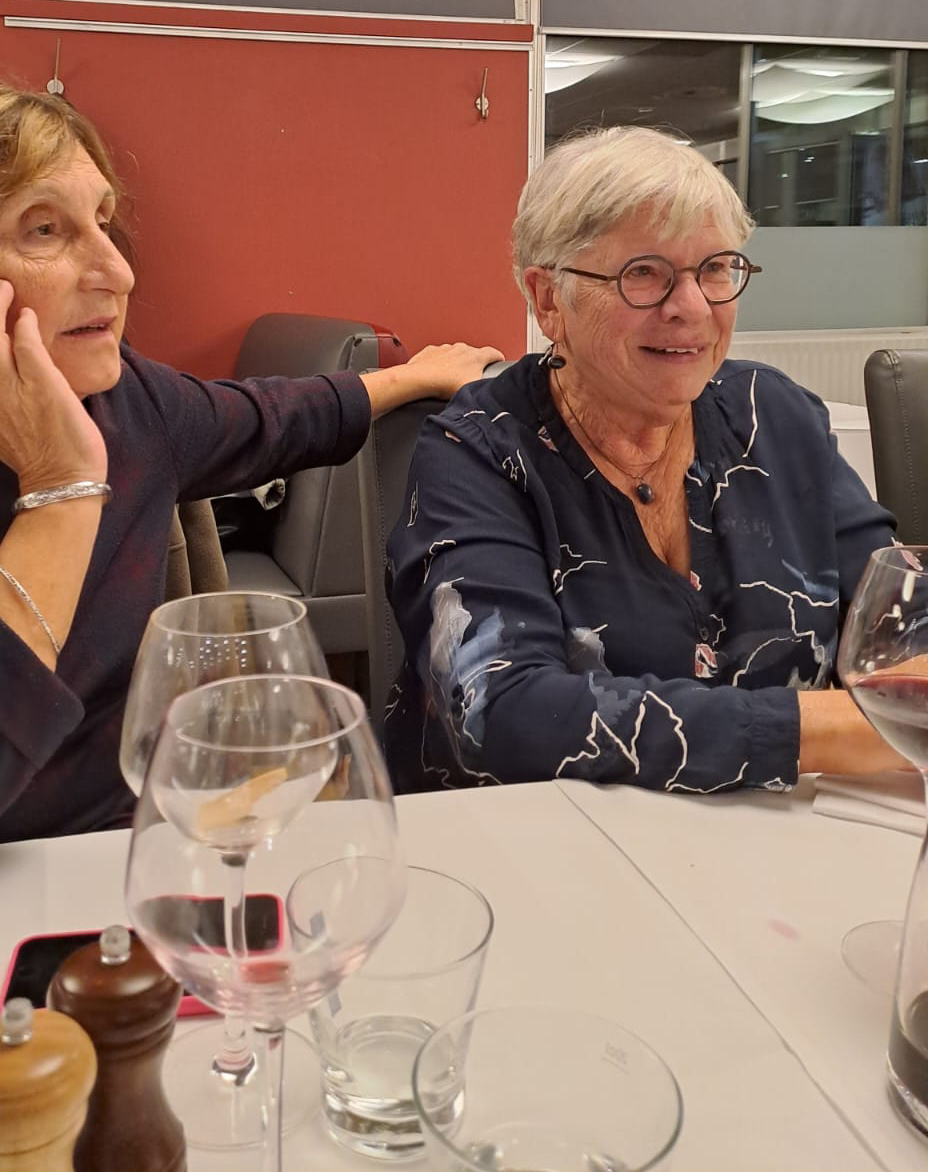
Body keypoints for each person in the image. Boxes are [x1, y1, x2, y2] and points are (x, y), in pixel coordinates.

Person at [0, 83, 499, 897]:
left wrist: (412, 376)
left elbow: (275, 416)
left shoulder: (127, 403)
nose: (117, 272)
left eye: (102, 221)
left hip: (109, 877)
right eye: (44, 229)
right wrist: (60, 492)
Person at [384, 126, 905, 796]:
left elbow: (900, 615)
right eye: (644, 274)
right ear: (549, 300)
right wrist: (840, 730)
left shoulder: (774, 415)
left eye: (714, 269)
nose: (691, 308)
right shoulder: (478, 452)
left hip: (785, 833)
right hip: (537, 838)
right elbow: (503, 712)